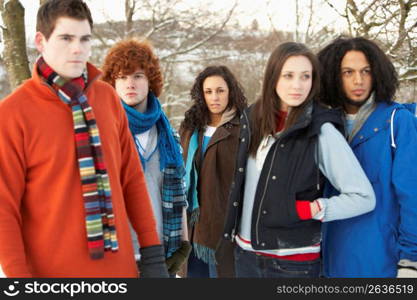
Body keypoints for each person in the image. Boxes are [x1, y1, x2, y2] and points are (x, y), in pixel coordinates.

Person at [0, 0, 168, 278]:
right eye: (66, 38)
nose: (78, 48)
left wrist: (152, 253)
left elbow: (131, 179)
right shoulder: (12, 114)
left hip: (119, 271)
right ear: (41, 41)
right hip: (52, 276)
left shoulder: (107, 99)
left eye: (84, 38)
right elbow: (4, 210)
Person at [223, 42, 375, 278]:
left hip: (293, 265)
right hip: (245, 256)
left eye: (306, 77)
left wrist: (309, 209)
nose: (297, 85)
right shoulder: (253, 120)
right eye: (288, 75)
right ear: (273, 78)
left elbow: (364, 198)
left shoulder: (322, 131)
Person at [318, 36, 417, 278]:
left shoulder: (397, 121)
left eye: (366, 71)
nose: (358, 80)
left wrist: (410, 260)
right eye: (348, 72)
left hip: (380, 258)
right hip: (329, 257)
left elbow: (412, 194)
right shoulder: (321, 125)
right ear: (333, 76)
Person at [101, 38, 191, 277]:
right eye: (122, 77)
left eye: (138, 76)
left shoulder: (167, 135)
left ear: (150, 81)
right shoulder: (102, 134)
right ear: (112, 83)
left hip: (158, 255)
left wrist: (183, 244)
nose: (130, 84)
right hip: (114, 256)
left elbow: (177, 193)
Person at [179, 65, 247, 277]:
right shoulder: (190, 127)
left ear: (231, 92)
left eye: (220, 90)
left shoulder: (243, 127)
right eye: (208, 92)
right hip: (191, 221)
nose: (214, 97)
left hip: (224, 221)